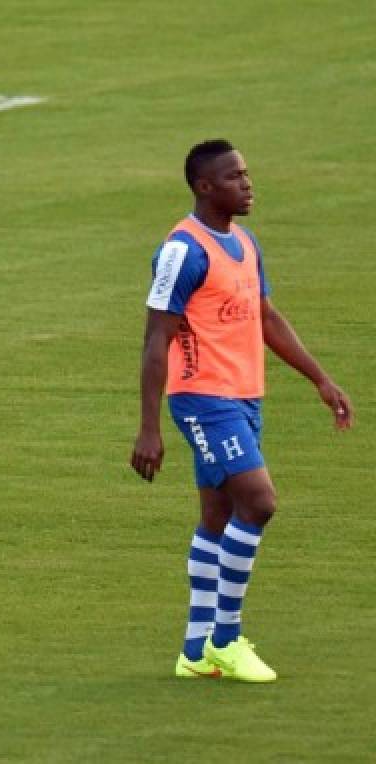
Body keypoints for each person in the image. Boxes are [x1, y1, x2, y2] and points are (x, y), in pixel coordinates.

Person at [131, 139, 353, 682]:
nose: (247, 183)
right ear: (204, 187)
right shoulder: (183, 251)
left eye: (247, 174)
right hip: (204, 399)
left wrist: (320, 378)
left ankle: (193, 652)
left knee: (217, 518)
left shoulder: (246, 243)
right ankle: (226, 639)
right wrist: (148, 428)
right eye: (234, 177)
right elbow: (155, 339)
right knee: (259, 502)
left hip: (245, 396)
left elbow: (267, 318)